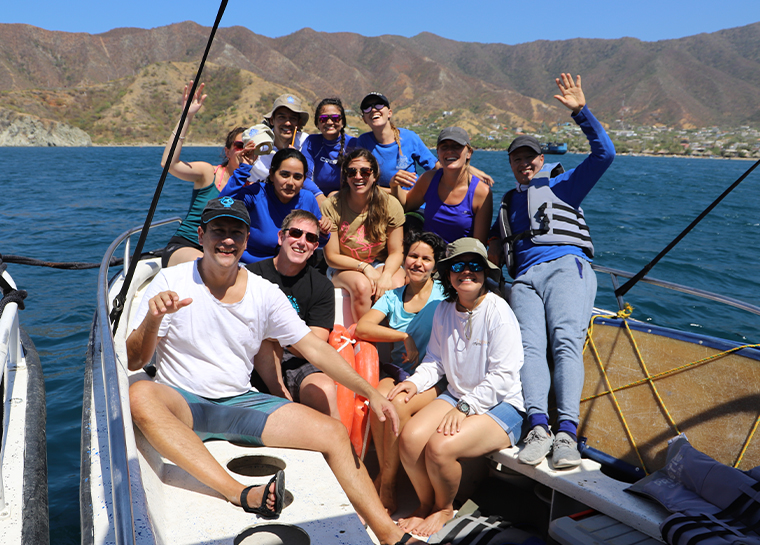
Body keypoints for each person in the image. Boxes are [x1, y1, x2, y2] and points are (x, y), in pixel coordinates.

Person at [127, 197, 422, 545]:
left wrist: (371, 393)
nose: (227, 239)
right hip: (183, 403)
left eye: (235, 232)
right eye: (218, 230)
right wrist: (152, 318)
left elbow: (315, 349)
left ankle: (391, 536)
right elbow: (134, 360)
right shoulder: (171, 281)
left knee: (334, 433)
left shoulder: (264, 292)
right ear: (201, 234)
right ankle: (238, 492)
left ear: (246, 239)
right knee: (140, 394)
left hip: (241, 404)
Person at [488, 73, 616, 469]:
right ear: (510, 163)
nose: (525, 163)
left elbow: (605, 155)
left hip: (565, 268)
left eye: (531, 157)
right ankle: (538, 427)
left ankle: (566, 434)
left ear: (541, 161)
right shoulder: (507, 204)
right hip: (523, 281)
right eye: (517, 157)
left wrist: (581, 111)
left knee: (564, 341)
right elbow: (492, 250)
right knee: (528, 350)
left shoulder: (564, 187)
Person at [388, 238, 525, 537]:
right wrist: (413, 383)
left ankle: (445, 507)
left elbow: (504, 376)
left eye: (474, 266)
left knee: (439, 447)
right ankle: (425, 504)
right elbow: (435, 361)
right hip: (456, 394)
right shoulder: (444, 309)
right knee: (410, 439)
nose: (467, 272)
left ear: (484, 272)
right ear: (448, 273)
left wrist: (466, 408)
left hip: (502, 404)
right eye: (458, 266)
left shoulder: (498, 312)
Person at [354, 231, 447, 514]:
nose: (418, 263)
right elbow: (362, 328)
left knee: (396, 404)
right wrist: (402, 337)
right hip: (400, 372)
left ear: (436, 264)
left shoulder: (444, 295)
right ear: (404, 259)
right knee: (378, 400)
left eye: (426, 259)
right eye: (413, 256)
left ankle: (387, 483)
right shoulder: (393, 298)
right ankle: (386, 476)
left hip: (435, 376)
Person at [247, 210, 339, 419]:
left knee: (322, 388)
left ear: (316, 246)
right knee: (263, 343)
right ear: (281, 237)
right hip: (253, 354)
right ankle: (280, 398)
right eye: (296, 233)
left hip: (298, 357)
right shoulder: (251, 275)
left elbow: (315, 344)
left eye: (310, 238)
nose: (302, 241)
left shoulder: (322, 286)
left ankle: (339, 446)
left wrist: (274, 335)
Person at [160, 80, 244, 267]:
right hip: (188, 246)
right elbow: (169, 163)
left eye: (248, 147)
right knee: (208, 266)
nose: (243, 151)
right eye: (238, 146)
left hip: (226, 250)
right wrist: (186, 117)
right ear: (228, 151)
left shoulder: (254, 187)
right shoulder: (208, 173)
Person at [320, 149, 406, 322]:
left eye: (365, 171)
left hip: (381, 263)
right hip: (344, 267)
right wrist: (364, 268)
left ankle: (392, 345)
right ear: (345, 177)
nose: (358, 177)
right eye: (351, 172)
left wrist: (387, 275)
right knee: (362, 286)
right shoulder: (332, 205)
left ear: (374, 176)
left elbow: (397, 251)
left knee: (396, 285)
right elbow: (331, 257)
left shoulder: (391, 204)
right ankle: (365, 340)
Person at [220, 148, 324, 264]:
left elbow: (319, 241)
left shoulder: (308, 199)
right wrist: (243, 170)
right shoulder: (257, 192)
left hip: (290, 268)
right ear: (272, 174)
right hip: (250, 266)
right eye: (284, 175)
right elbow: (222, 206)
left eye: (297, 177)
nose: (290, 182)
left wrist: (324, 231)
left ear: (304, 180)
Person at [391, 127, 493, 245]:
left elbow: (478, 245)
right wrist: (394, 186)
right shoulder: (428, 179)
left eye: (457, 146)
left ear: (469, 153)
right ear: (438, 153)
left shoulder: (481, 192)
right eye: (444, 147)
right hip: (428, 257)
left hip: (460, 259)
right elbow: (407, 205)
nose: (449, 151)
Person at [244, 94, 325, 202]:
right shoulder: (259, 142)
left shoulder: (307, 143)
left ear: (299, 123)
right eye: (282, 117)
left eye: (293, 118)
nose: (287, 123)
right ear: (272, 120)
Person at [301, 98, 358, 196]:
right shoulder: (312, 142)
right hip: (318, 196)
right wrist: (318, 195)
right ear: (317, 123)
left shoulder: (353, 143)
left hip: (348, 196)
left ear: (343, 122)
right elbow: (304, 176)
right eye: (323, 118)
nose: (329, 122)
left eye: (335, 118)